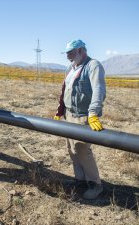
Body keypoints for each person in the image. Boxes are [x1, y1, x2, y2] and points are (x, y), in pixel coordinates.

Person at [54, 39, 106, 199]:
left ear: (81, 50)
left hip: (83, 116)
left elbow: (99, 90)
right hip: (69, 114)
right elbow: (65, 90)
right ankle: (80, 180)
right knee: (72, 149)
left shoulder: (93, 66)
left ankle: (95, 184)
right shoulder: (71, 67)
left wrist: (92, 114)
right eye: (67, 53)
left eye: (70, 52)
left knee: (82, 149)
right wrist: (60, 110)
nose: (67, 56)